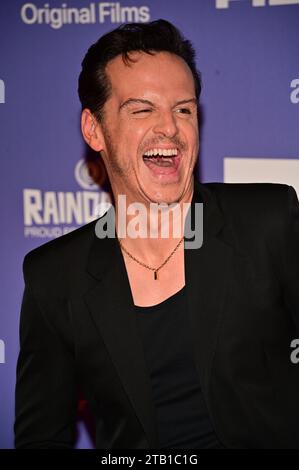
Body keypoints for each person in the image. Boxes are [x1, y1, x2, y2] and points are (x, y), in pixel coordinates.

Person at [14, 19, 299, 449]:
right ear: (94, 130)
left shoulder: (268, 222)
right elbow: (41, 437)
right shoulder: (55, 278)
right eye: (142, 109)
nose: (170, 128)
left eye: (183, 109)